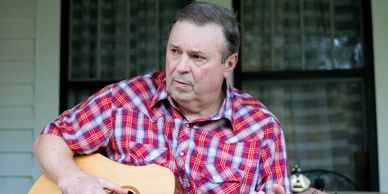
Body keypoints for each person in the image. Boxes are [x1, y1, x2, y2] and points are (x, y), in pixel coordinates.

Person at [33, 2, 291, 194]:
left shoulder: (262, 129)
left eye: (197, 57)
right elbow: (51, 138)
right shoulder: (124, 100)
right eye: (175, 51)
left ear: (229, 64)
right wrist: (74, 180)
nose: (180, 66)